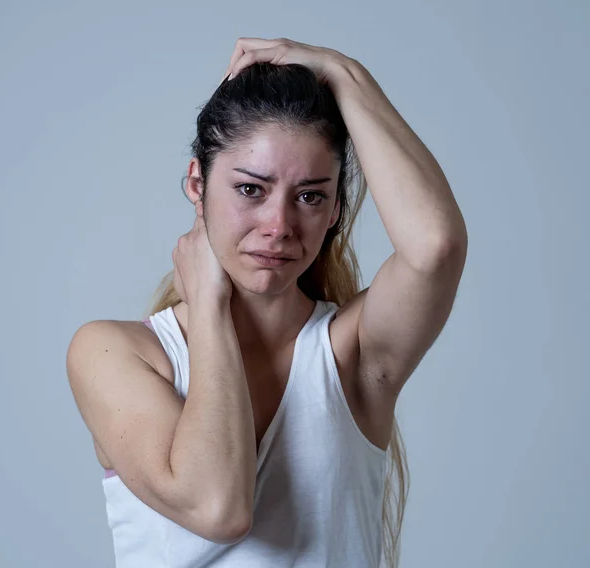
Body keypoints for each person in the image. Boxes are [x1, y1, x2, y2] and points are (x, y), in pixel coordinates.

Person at [66, 38, 468, 568]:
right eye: (251, 190)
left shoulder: (354, 354)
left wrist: (344, 74)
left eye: (309, 196)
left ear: (334, 213)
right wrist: (208, 310)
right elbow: (218, 507)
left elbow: (434, 247)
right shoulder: (115, 353)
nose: (278, 227)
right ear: (197, 183)